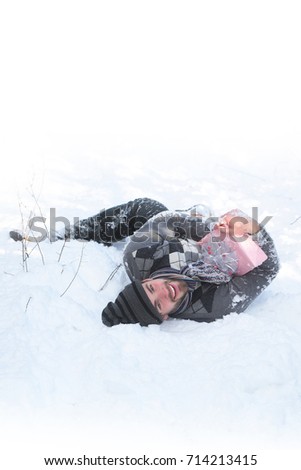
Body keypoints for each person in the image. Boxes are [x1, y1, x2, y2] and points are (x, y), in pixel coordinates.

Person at [10, 197, 279, 327]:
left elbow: (169, 222)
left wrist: (211, 227)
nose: (164, 291)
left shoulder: (139, 256)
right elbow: (269, 268)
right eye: (160, 303)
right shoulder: (212, 305)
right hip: (222, 253)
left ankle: (57, 237)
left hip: (178, 230)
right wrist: (249, 229)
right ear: (164, 315)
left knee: (143, 208)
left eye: (152, 289)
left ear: (146, 279)